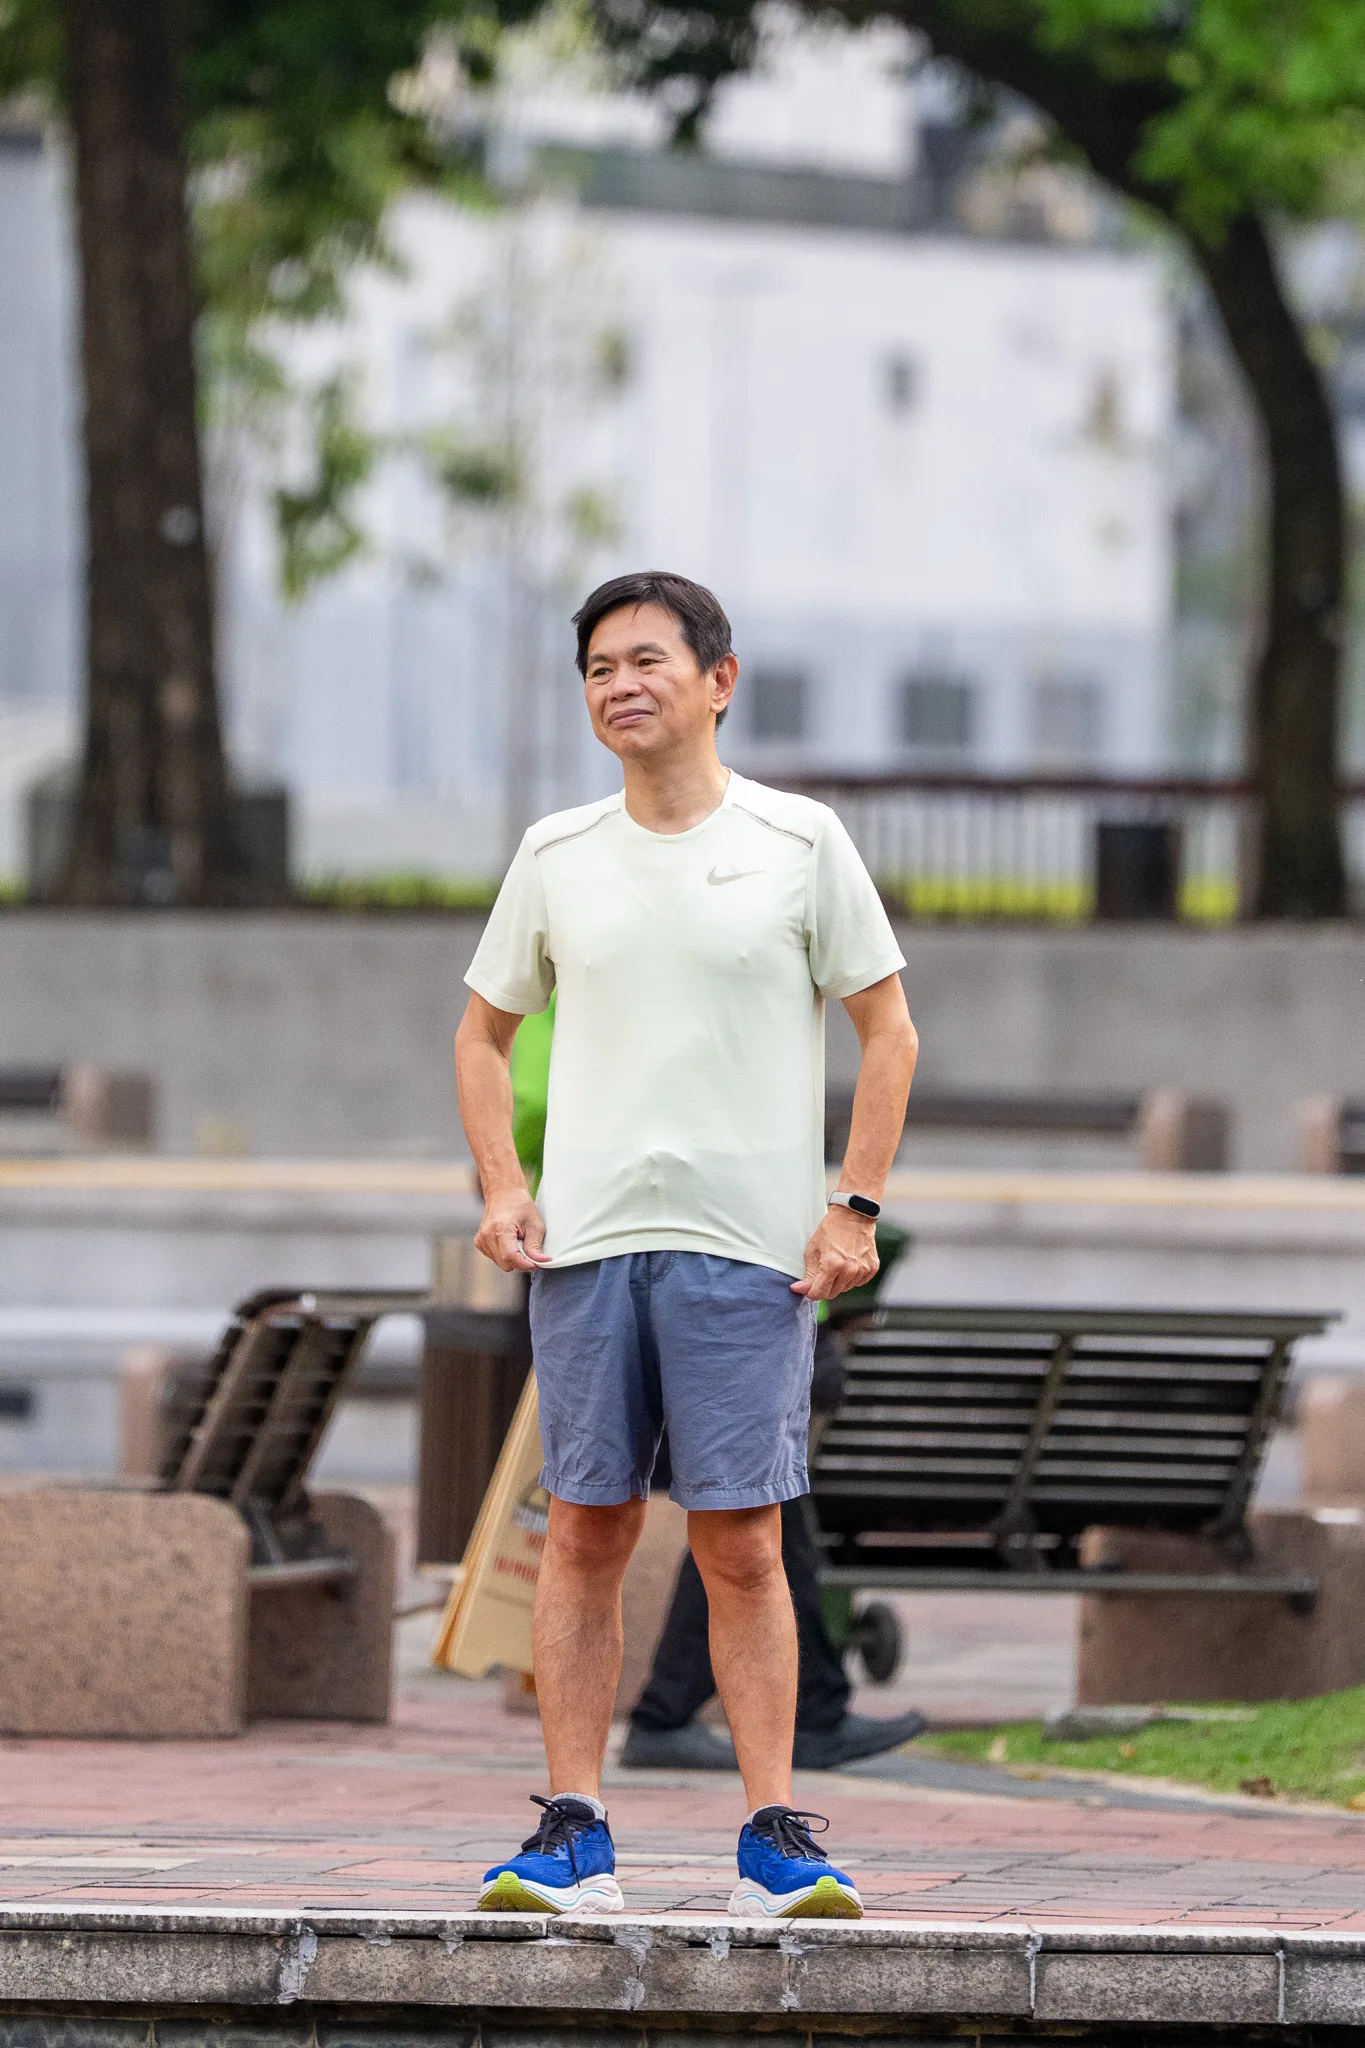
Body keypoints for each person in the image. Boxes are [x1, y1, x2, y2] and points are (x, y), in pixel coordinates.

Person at [455, 569, 918, 1920]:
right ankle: (573, 1835)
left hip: (749, 1254)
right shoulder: (556, 854)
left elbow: (888, 1029)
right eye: (599, 667)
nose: (621, 684)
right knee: (585, 1533)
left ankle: (774, 1841)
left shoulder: (799, 841)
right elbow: (481, 1035)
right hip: (588, 1246)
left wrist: (853, 1206)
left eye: (647, 660)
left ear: (719, 680)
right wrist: (503, 1185)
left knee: (743, 1546)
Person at [622, 1228, 926, 1772]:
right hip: (757, 1311)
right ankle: (683, 1715)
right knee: (748, 1525)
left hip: (750, 1308)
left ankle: (687, 1713)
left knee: (755, 1529)